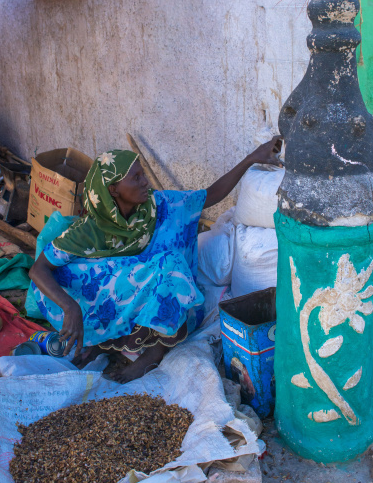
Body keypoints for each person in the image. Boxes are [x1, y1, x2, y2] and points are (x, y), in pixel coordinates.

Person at [29, 137, 282, 383]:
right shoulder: (88, 230)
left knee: (171, 265)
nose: (145, 182)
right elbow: (39, 269)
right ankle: (102, 341)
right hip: (120, 301)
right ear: (113, 189)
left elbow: (210, 195)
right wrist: (70, 307)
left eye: (143, 174)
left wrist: (252, 158)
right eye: (136, 178)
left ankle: (154, 351)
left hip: (155, 294)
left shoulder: (160, 206)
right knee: (67, 275)